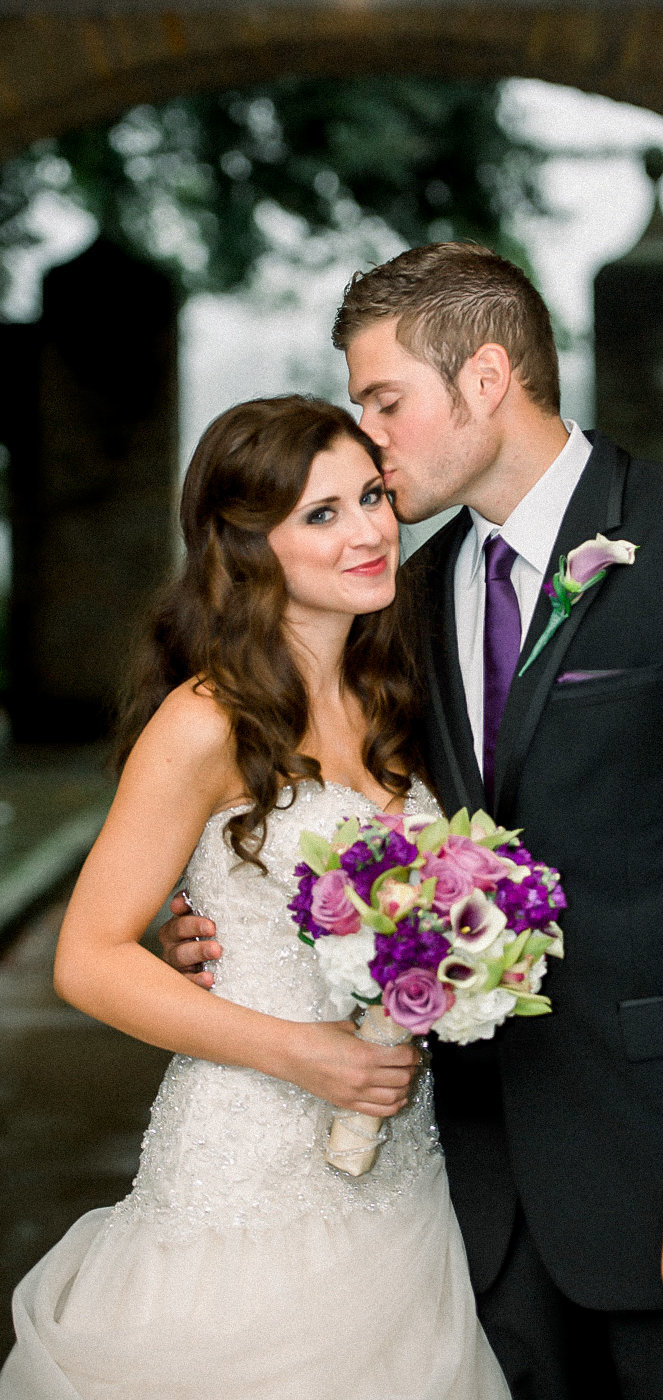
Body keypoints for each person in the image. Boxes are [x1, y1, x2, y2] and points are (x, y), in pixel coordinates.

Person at [162, 244, 663, 1399]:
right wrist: (217, 925)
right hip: (474, 1199)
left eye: (385, 400)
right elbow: (366, 822)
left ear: (485, 378)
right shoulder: (414, 595)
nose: (370, 438)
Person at [0, 395, 510, 1400]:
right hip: (248, 1173)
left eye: (370, 495)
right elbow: (87, 954)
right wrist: (307, 1052)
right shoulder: (204, 720)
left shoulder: (406, 693)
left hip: (405, 1178)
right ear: (249, 545)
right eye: (321, 513)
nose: (369, 529)